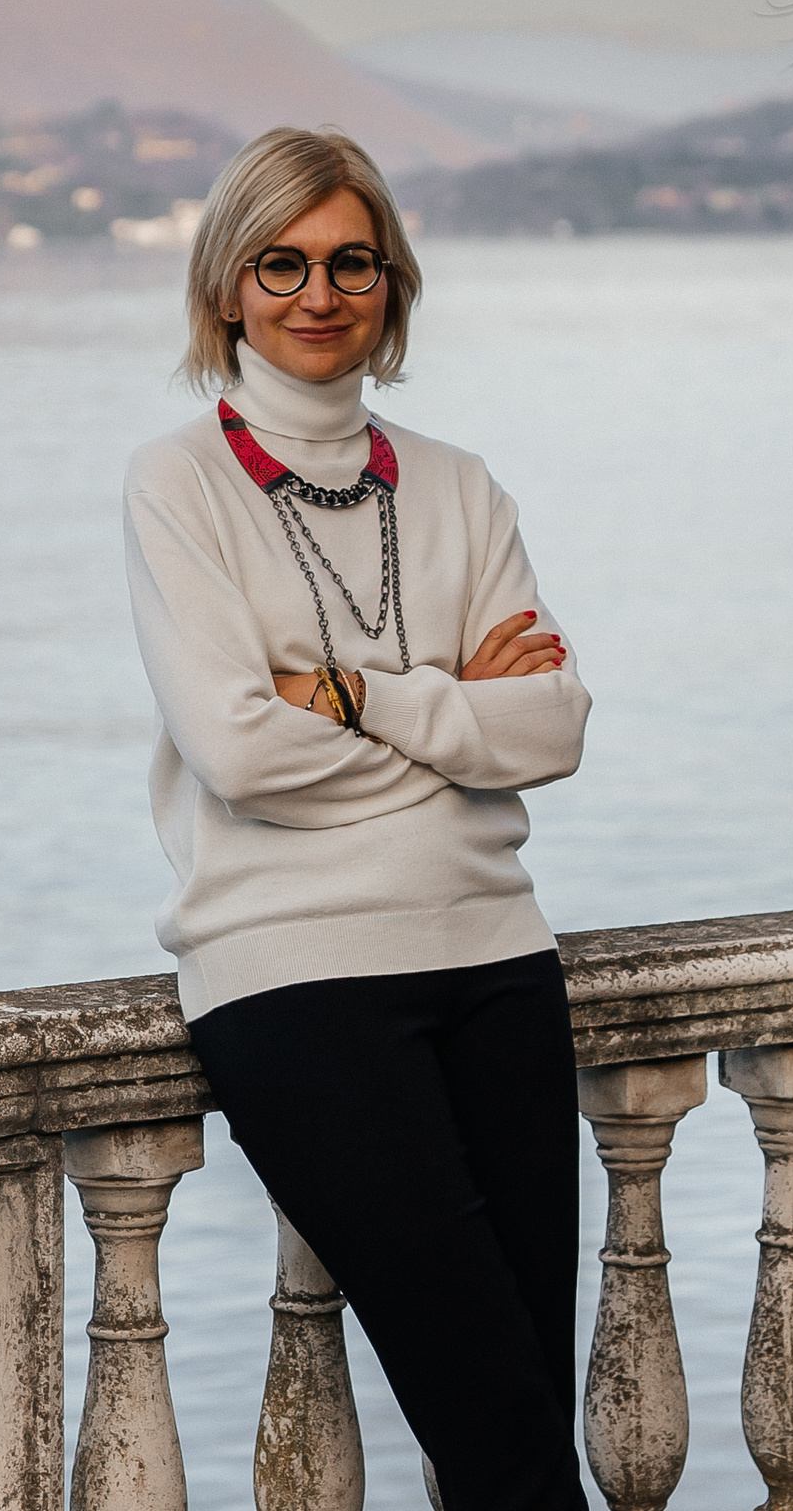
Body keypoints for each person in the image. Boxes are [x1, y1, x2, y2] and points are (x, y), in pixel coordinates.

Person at [122, 125, 594, 1511]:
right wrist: (456, 720)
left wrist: (348, 695)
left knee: (516, 1421)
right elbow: (238, 754)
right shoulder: (180, 485)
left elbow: (552, 726)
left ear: (393, 285)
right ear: (227, 287)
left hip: (500, 967)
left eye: (351, 263)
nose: (318, 294)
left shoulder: (457, 485)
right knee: (498, 1416)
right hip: (300, 983)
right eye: (282, 263)